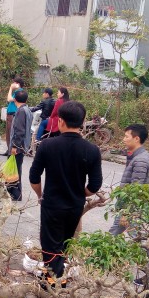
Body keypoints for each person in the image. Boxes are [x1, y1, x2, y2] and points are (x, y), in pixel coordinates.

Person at [29, 101, 103, 280]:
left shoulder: (47, 145)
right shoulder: (92, 150)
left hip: (52, 205)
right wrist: (80, 193)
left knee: (50, 247)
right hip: (74, 207)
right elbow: (95, 185)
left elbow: (34, 177)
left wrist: (40, 196)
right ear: (83, 122)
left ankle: (52, 284)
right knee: (64, 245)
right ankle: (55, 279)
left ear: (60, 121)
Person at [109, 124, 149, 236]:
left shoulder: (140, 160)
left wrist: (127, 212)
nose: (124, 139)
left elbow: (136, 189)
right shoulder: (136, 156)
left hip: (133, 207)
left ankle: (148, 252)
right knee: (118, 232)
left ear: (136, 139)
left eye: (126, 137)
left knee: (135, 235)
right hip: (130, 206)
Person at [7, 90, 33, 201]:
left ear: (15, 100)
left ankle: (15, 194)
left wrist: (14, 146)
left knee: (14, 169)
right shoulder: (28, 110)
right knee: (16, 168)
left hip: (17, 146)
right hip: (23, 145)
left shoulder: (21, 111)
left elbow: (19, 131)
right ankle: (13, 192)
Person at [2, 77, 25, 156]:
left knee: (10, 133)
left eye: (14, 83)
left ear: (18, 84)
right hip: (11, 113)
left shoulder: (19, 92)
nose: (12, 84)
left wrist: (10, 88)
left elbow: (9, 99)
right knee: (9, 133)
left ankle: (10, 150)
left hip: (12, 114)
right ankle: (9, 149)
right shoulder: (18, 91)